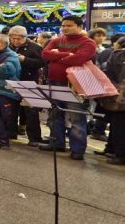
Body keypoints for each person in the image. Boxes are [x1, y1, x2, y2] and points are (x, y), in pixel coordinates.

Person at [40, 16, 97, 160]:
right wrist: (67, 55)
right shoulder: (56, 40)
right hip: (53, 82)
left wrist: (56, 56)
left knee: (76, 118)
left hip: (75, 85)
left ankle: (77, 150)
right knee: (54, 115)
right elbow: (45, 54)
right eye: (63, 25)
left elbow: (79, 59)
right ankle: (56, 143)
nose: (64, 28)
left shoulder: (88, 43)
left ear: (79, 26)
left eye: (69, 25)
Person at [9, 25, 48, 146]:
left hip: (29, 82)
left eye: (19, 38)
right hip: (12, 82)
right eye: (13, 38)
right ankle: (11, 133)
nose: (15, 41)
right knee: (11, 109)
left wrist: (24, 59)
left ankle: (34, 138)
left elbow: (41, 63)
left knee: (31, 111)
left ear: (25, 37)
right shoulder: (7, 46)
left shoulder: (35, 47)